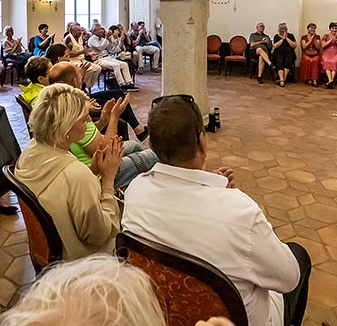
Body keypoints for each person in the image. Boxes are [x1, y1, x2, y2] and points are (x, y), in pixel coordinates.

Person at [122, 95, 311, 326]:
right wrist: (227, 197)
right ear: (202, 141)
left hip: (167, 312)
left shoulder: (135, 190)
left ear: (150, 145)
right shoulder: (241, 213)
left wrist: (211, 186)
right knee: (298, 257)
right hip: (236, 320)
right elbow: (289, 279)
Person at [14, 83, 122, 260]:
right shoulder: (76, 174)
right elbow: (99, 236)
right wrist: (108, 180)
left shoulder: (30, 151)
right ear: (65, 128)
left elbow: (62, 189)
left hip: (52, 251)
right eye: (83, 118)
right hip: (79, 261)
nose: (89, 121)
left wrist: (93, 169)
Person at [0, 255, 169, 326]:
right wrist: (107, 185)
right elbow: (97, 234)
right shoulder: (78, 178)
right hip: (83, 252)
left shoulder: (138, 190)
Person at [48, 62, 152, 150]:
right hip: (100, 162)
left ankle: (138, 130)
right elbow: (103, 148)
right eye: (80, 77)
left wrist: (102, 121)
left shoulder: (56, 102)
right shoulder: (76, 117)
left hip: (84, 102)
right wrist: (114, 117)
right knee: (137, 147)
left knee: (117, 95)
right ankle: (136, 132)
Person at [88, 24, 137, 91]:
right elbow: (100, 48)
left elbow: (110, 50)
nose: (102, 30)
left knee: (124, 64)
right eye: (99, 29)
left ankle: (128, 83)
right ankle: (121, 85)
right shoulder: (91, 39)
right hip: (99, 59)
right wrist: (106, 39)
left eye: (102, 28)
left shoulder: (103, 39)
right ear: (94, 31)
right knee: (116, 65)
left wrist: (119, 42)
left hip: (107, 57)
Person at [63, 22, 102, 89]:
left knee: (97, 68)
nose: (80, 32)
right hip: (73, 61)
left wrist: (89, 54)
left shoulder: (80, 37)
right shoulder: (68, 39)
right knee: (89, 69)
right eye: (78, 30)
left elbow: (83, 50)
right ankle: (81, 86)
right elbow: (68, 55)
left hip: (81, 60)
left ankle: (86, 86)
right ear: (72, 31)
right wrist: (82, 52)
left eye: (80, 30)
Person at [271, 23, 297, 87]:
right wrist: (282, 39)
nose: (283, 30)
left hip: (289, 53)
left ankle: (282, 79)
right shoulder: (276, 36)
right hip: (278, 53)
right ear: (279, 30)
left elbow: (294, 46)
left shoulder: (291, 35)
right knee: (279, 61)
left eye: (284, 29)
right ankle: (282, 79)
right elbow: (275, 46)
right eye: (282, 29)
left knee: (288, 60)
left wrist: (286, 38)